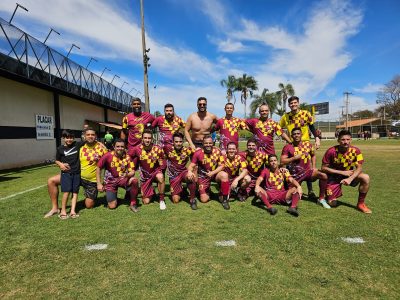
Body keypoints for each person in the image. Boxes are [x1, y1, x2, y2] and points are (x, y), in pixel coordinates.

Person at [45, 128, 108, 218]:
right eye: (88, 135)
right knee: (51, 181)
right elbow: (62, 156)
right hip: (76, 175)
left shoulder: (101, 148)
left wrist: (103, 182)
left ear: (96, 136)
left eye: (92, 134)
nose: (90, 136)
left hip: (91, 180)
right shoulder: (80, 146)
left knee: (89, 205)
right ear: (84, 136)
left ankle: (88, 196)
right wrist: (61, 164)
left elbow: (109, 163)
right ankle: (55, 208)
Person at [279, 96, 322, 199]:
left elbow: (312, 127)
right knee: (292, 166)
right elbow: (279, 129)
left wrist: (317, 138)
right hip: (292, 144)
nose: (293, 105)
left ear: (298, 103)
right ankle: (291, 187)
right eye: (291, 103)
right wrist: (288, 139)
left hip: (305, 143)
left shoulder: (305, 113)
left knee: (307, 167)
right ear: (289, 105)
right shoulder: (285, 116)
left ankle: (310, 190)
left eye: (295, 103)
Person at [321, 130, 371, 214]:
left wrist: (350, 179)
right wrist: (342, 172)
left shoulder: (356, 151)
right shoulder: (331, 151)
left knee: (365, 177)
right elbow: (323, 168)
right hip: (333, 177)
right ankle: (330, 194)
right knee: (333, 204)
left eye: (348, 139)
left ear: (351, 140)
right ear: (338, 140)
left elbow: (359, 168)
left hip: (348, 175)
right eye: (343, 140)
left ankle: (361, 204)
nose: (345, 142)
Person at [280, 127, 329, 208]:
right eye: (294, 134)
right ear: (291, 136)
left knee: (323, 175)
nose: (296, 135)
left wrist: (313, 167)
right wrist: (294, 158)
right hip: (294, 176)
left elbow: (313, 155)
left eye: (298, 133)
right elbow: (282, 161)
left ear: (301, 135)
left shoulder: (308, 145)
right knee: (290, 197)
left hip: (307, 172)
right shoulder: (287, 147)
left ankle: (321, 199)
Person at [187, 135, 230, 209]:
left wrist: (212, 173)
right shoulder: (198, 153)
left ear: (213, 143)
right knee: (204, 200)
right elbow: (191, 165)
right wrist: (189, 171)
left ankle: (225, 200)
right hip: (203, 176)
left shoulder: (217, 151)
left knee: (224, 175)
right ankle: (207, 191)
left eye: (210, 143)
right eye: (206, 143)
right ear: (203, 144)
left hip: (215, 174)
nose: (208, 145)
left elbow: (222, 166)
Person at [96, 139, 139, 212]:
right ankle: (113, 196)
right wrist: (99, 184)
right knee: (112, 206)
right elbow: (98, 168)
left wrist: (127, 174)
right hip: (110, 182)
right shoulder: (108, 155)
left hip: (122, 179)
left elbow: (132, 171)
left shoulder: (127, 157)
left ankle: (133, 203)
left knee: (134, 180)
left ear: (125, 147)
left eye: (122, 146)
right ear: (114, 146)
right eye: (118, 146)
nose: (120, 148)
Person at [128, 129, 167, 210]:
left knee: (160, 176)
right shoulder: (137, 149)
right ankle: (151, 190)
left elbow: (163, 159)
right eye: (145, 138)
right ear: (142, 139)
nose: (147, 140)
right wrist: (132, 168)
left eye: (149, 138)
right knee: (146, 201)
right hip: (145, 176)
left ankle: (161, 200)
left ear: (152, 139)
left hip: (155, 172)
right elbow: (129, 157)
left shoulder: (158, 149)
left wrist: (161, 168)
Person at [164, 132, 198, 209]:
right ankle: (183, 190)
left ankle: (192, 199)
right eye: (176, 142)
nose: (178, 144)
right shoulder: (167, 148)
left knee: (190, 177)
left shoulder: (187, 150)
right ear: (173, 142)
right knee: (175, 200)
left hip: (183, 173)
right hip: (173, 176)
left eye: (180, 141)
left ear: (182, 142)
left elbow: (198, 152)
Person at [55, 130, 82, 219]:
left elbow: (91, 140)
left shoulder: (77, 145)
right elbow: (56, 160)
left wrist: (103, 146)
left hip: (77, 173)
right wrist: (61, 164)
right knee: (66, 192)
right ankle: (63, 211)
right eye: (67, 138)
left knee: (75, 192)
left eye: (71, 138)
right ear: (63, 138)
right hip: (66, 173)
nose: (69, 139)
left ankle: (73, 211)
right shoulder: (60, 149)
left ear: (73, 138)